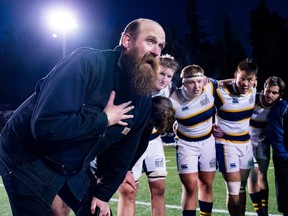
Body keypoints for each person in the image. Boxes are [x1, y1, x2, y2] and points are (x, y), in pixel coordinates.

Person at [0, 18, 166, 216]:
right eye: (150, 41)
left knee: (98, 213)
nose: (156, 52)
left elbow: (123, 152)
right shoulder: (86, 64)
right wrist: (103, 119)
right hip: (27, 158)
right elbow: (46, 125)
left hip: (72, 163)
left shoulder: (142, 98)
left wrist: (103, 194)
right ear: (127, 41)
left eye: (161, 46)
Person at [116, 54, 179, 216]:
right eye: (161, 73)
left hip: (154, 142)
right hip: (131, 143)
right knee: (128, 191)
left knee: (159, 188)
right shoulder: (136, 88)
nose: (165, 79)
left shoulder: (168, 89)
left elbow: (190, 85)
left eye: (169, 76)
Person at [169, 64, 219, 216]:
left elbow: (226, 83)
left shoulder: (209, 87)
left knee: (207, 185)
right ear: (183, 83)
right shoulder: (173, 101)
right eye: (192, 82)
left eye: (199, 81)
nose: (197, 86)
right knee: (190, 187)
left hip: (208, 142)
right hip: (186, 145)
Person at [214, 59, 258, 216]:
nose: (245, 83)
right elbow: (200, 102)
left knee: (241, 187)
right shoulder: (220, 92)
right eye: (242, 78)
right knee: (233, 190)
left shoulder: (253, 90)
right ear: (235, 76)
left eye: (250, 79)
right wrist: (209, 126)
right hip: (226, 144)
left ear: (255, 81)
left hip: (246, 144)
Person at [248, 76, 285, 216]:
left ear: (279, 95)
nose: (270, 95)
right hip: (247, 143)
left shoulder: (279, 106)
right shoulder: (252, 99)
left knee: (262, 175)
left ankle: (265, 211)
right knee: (253, 175)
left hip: (263, 143)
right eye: (268, 91)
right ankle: (260, 214)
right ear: (263, 88)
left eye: (274, 93)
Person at [267, 92, 288, 216]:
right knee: (285, 187)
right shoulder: (282, 106)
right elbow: (275, 133)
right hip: (283, 155)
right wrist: (283, 154)